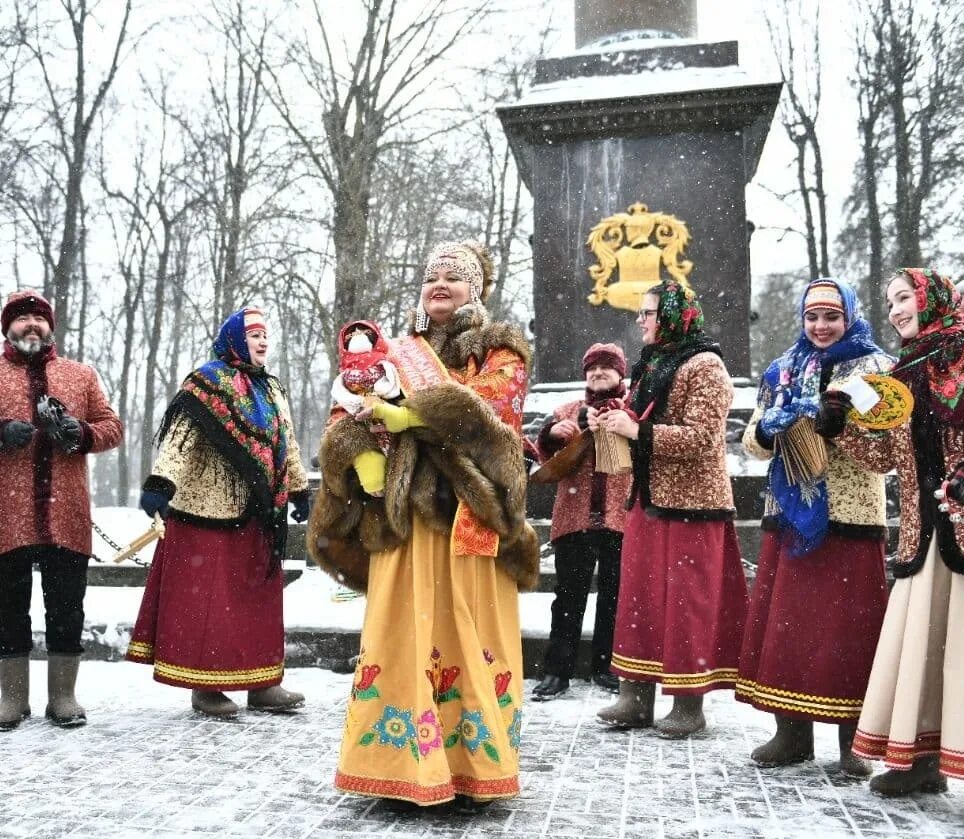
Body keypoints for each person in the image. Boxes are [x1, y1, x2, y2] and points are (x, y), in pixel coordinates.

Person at [309, 241, 537, 810]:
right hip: (405, 517)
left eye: (453, 278)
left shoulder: (499, 348)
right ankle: (400, 766)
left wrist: (410, 413)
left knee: (469, 634)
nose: (439, 286)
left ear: (474, 289)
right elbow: (347, 406)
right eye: (431, 278)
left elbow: (494, 409)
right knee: (401, 636)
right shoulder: (396, 351)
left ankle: (469, 770)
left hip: (468, 514)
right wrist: (360, 447)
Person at [832, 268, 964, 825]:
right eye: (891, 301)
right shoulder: (902, 375)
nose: (896, 309)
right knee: (924, 654)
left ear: (934, 300)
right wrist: (842, 427)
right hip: (925, 535)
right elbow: (886, 461)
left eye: (904, 298)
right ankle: (922, 761)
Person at [0, 290, 123, 731]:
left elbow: (112, 428)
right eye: (22, 319)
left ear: (51, 327)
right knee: (8, 606)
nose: (31, 325)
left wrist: (79, 432)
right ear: (7, 327)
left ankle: (63, 697)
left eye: (39, 319)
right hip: (4, 513)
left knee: (67, 607)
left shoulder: (80, 375)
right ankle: (12, 699)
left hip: (66, 513)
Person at [737, 278, 893, 777]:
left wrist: (839, 425)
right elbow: (753, 441)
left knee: (849, 630)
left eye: (832, 317)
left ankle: (853, 739)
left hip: (850, 516)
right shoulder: (784, 368)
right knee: (791, 626)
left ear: (850, 316)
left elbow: (888, 452)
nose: (821, 327)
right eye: (812, 317)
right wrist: (767, 428)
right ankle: (791, 731)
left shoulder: (875, 369)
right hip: (790, 513)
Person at [127, 307, 310, 718]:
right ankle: (204, 687)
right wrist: (161, 483)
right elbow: (179, 438)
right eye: (253, 335)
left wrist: (297, 488)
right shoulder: (206, 383)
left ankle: (263, 683)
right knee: (210, 605)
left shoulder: (271, 390)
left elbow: (287, 443)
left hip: (261, 513)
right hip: (205, 512)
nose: (263, 341)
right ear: (233, 338)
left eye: (266, 335)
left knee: (258, 602)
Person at [595, 281, 748, 738]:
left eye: (649, 313)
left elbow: (703, 439)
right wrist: (609, 417)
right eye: (641, 312)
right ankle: (636, 695)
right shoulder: (653, 363)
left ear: (675, 315)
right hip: (648, 497)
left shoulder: (707, 366)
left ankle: (688, 702)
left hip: (694, 505)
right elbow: (638, 416)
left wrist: (636, 431)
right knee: (639, 597)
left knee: (687, 604)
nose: (641, 320)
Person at [532, 342, 632, 701]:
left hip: (621, 519)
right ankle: (557, 671)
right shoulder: (566, 410)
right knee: (568, 597)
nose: (598, 373)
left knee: (614, 597)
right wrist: (555, 433)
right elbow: (541, 455)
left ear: (621, 373)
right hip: (574, 519)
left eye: (606, 367)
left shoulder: (635, 409)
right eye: (591, 368)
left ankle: (606, 667)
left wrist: (627, 424)